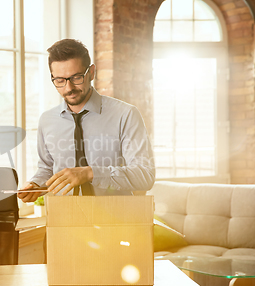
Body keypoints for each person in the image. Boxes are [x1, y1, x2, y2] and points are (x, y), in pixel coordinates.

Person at [18, 39, 155, 203]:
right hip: (63, 219)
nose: (68, 88)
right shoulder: (47, 120)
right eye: (60, 80)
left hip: (116, 220)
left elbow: (145, 175)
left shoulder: (126, 115)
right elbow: (47, 168)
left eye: (76, 78)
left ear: (91, 72)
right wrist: (35, 185)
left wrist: (90, 174)